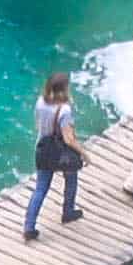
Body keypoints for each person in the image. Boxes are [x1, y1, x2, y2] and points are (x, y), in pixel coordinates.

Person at [23, 69, 87, 240]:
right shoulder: (64, 110)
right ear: (63, 89)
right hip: (61, 152)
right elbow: (68, 139)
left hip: (43, 149)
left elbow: (38, 125)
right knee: (71, 177)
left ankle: (29, 227)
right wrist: (84, 153)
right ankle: (68, 211)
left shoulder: (40, 102)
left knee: (41, 188)